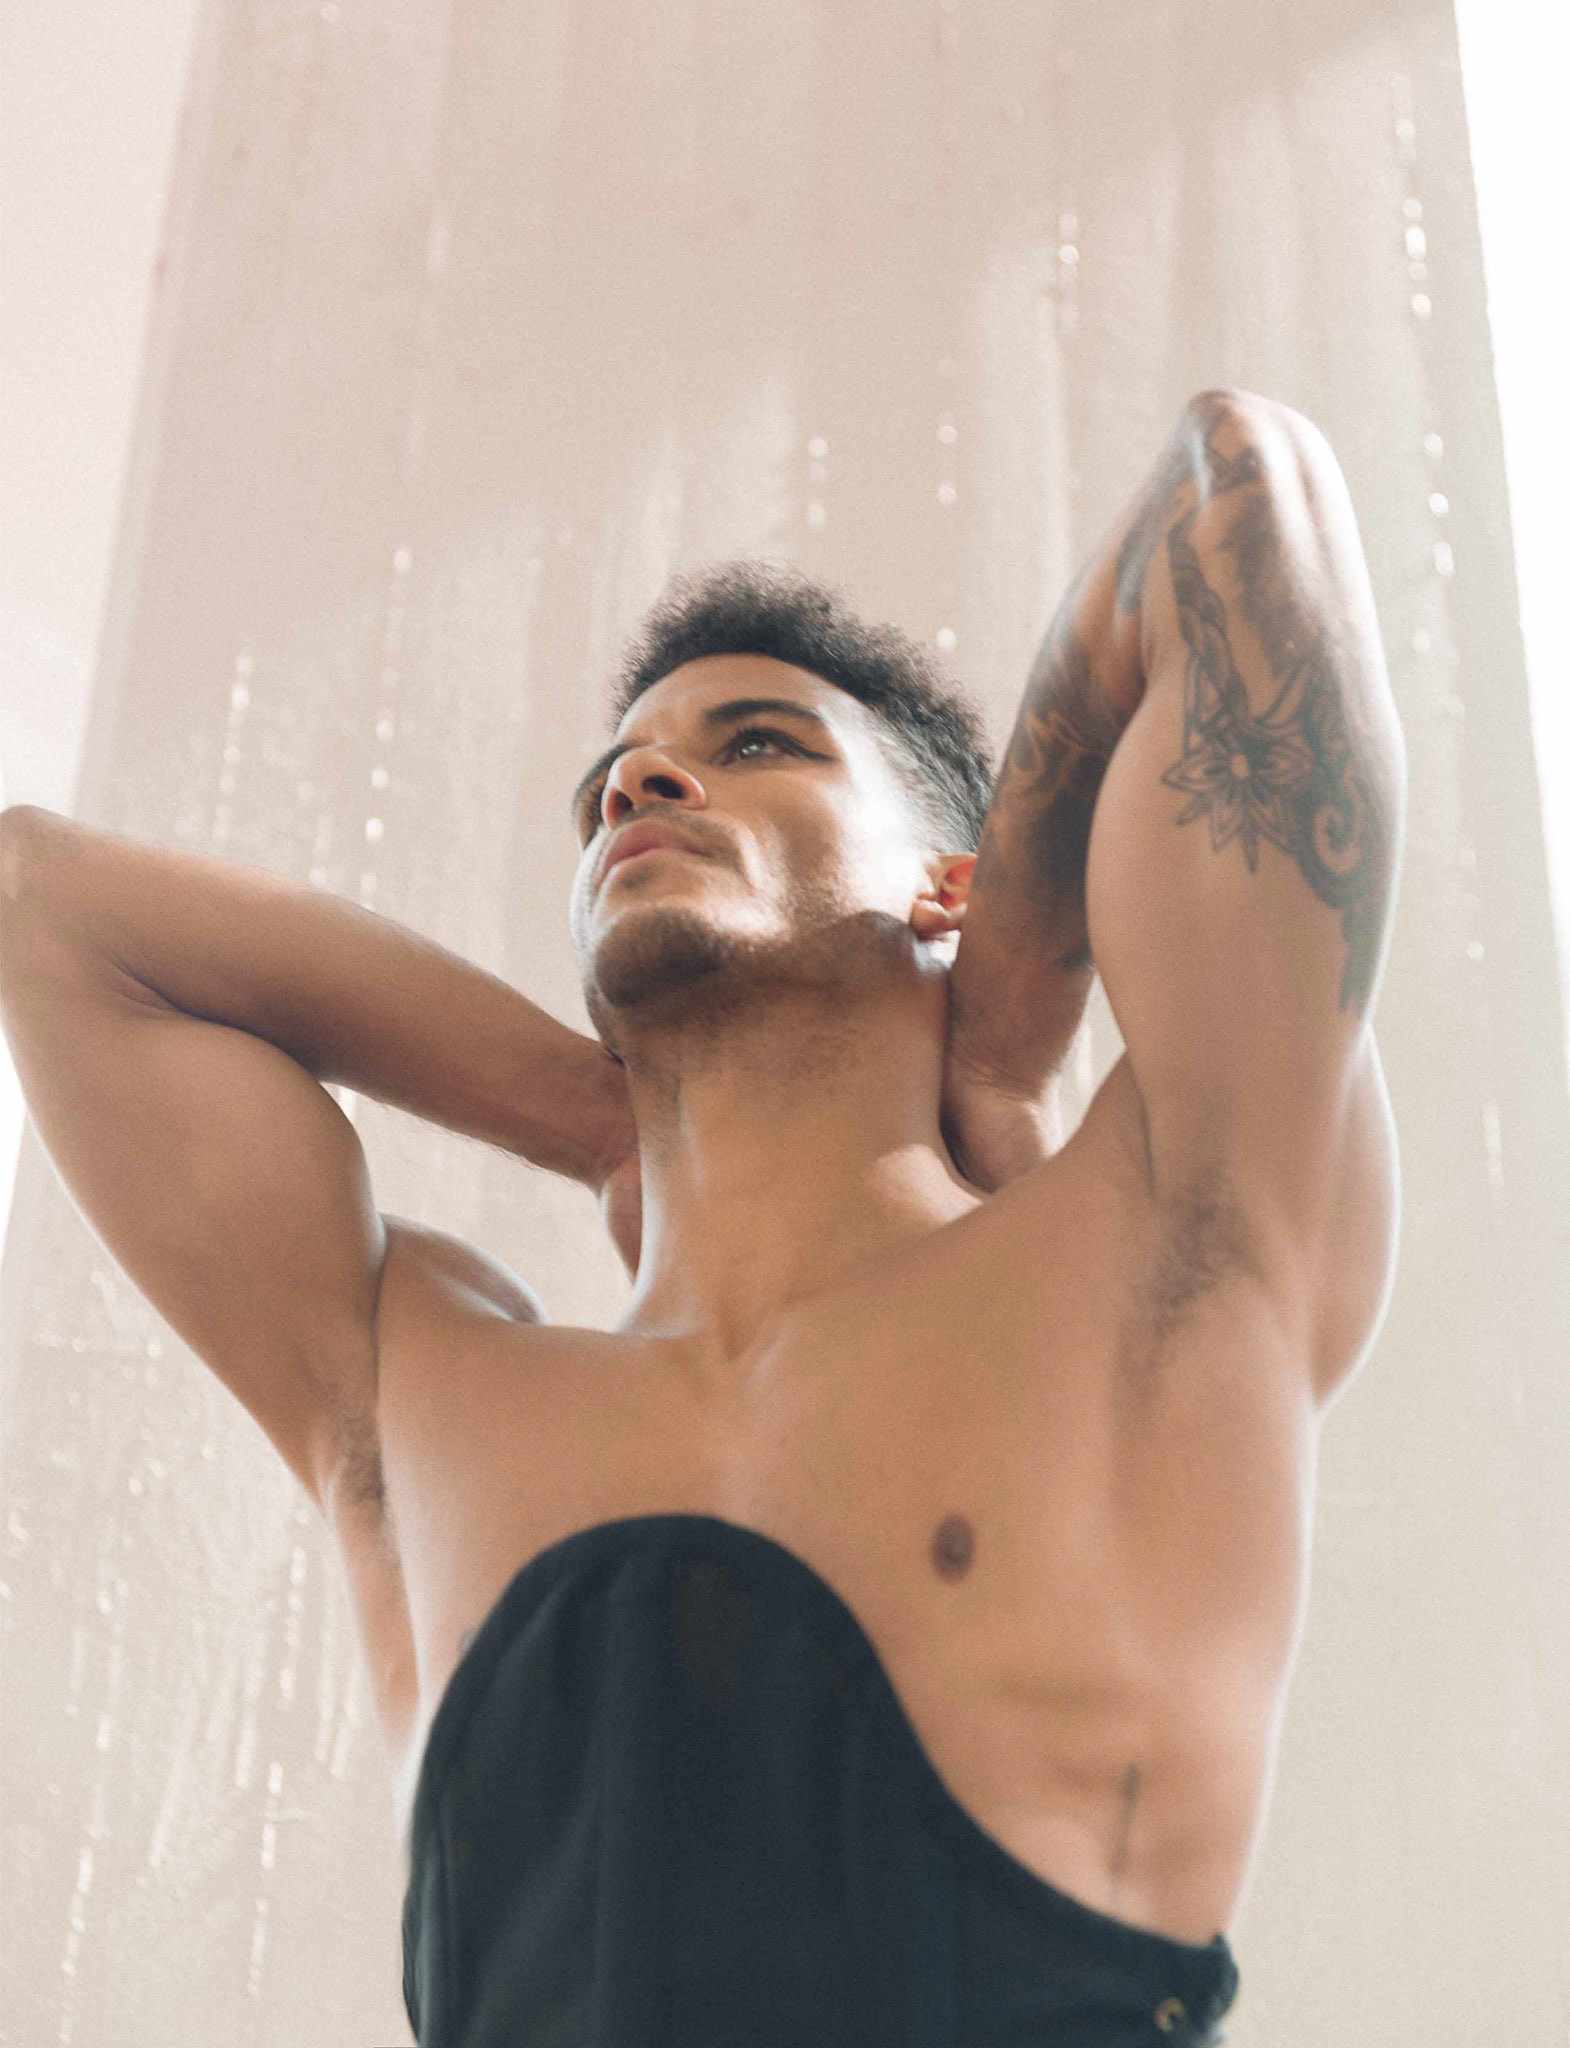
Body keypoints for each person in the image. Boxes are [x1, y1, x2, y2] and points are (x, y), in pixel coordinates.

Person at [0, 387, 1404, 2046]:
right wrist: (601, 1114)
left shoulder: (1161, 1234)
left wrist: (1012, 998)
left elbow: (1234, 492)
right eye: (610, 785)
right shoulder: (422, 1388)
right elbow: (43, 905)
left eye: (757, 743)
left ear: (943, 885)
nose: (640, 784)